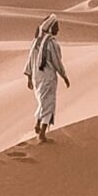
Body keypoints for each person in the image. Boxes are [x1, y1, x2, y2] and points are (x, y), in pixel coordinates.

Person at [24, 13, 69, 142]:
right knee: (48, 104)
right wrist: (64, 76)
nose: (58, 29)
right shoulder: (51, 44)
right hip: (47, 78)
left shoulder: (35, 41)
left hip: (37, 78)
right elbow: (57, 62)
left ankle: (38, 125)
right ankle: (42, 134)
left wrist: (29, 76)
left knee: (42, 102)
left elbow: (29, 61)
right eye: (56, 26)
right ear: (50, 27)